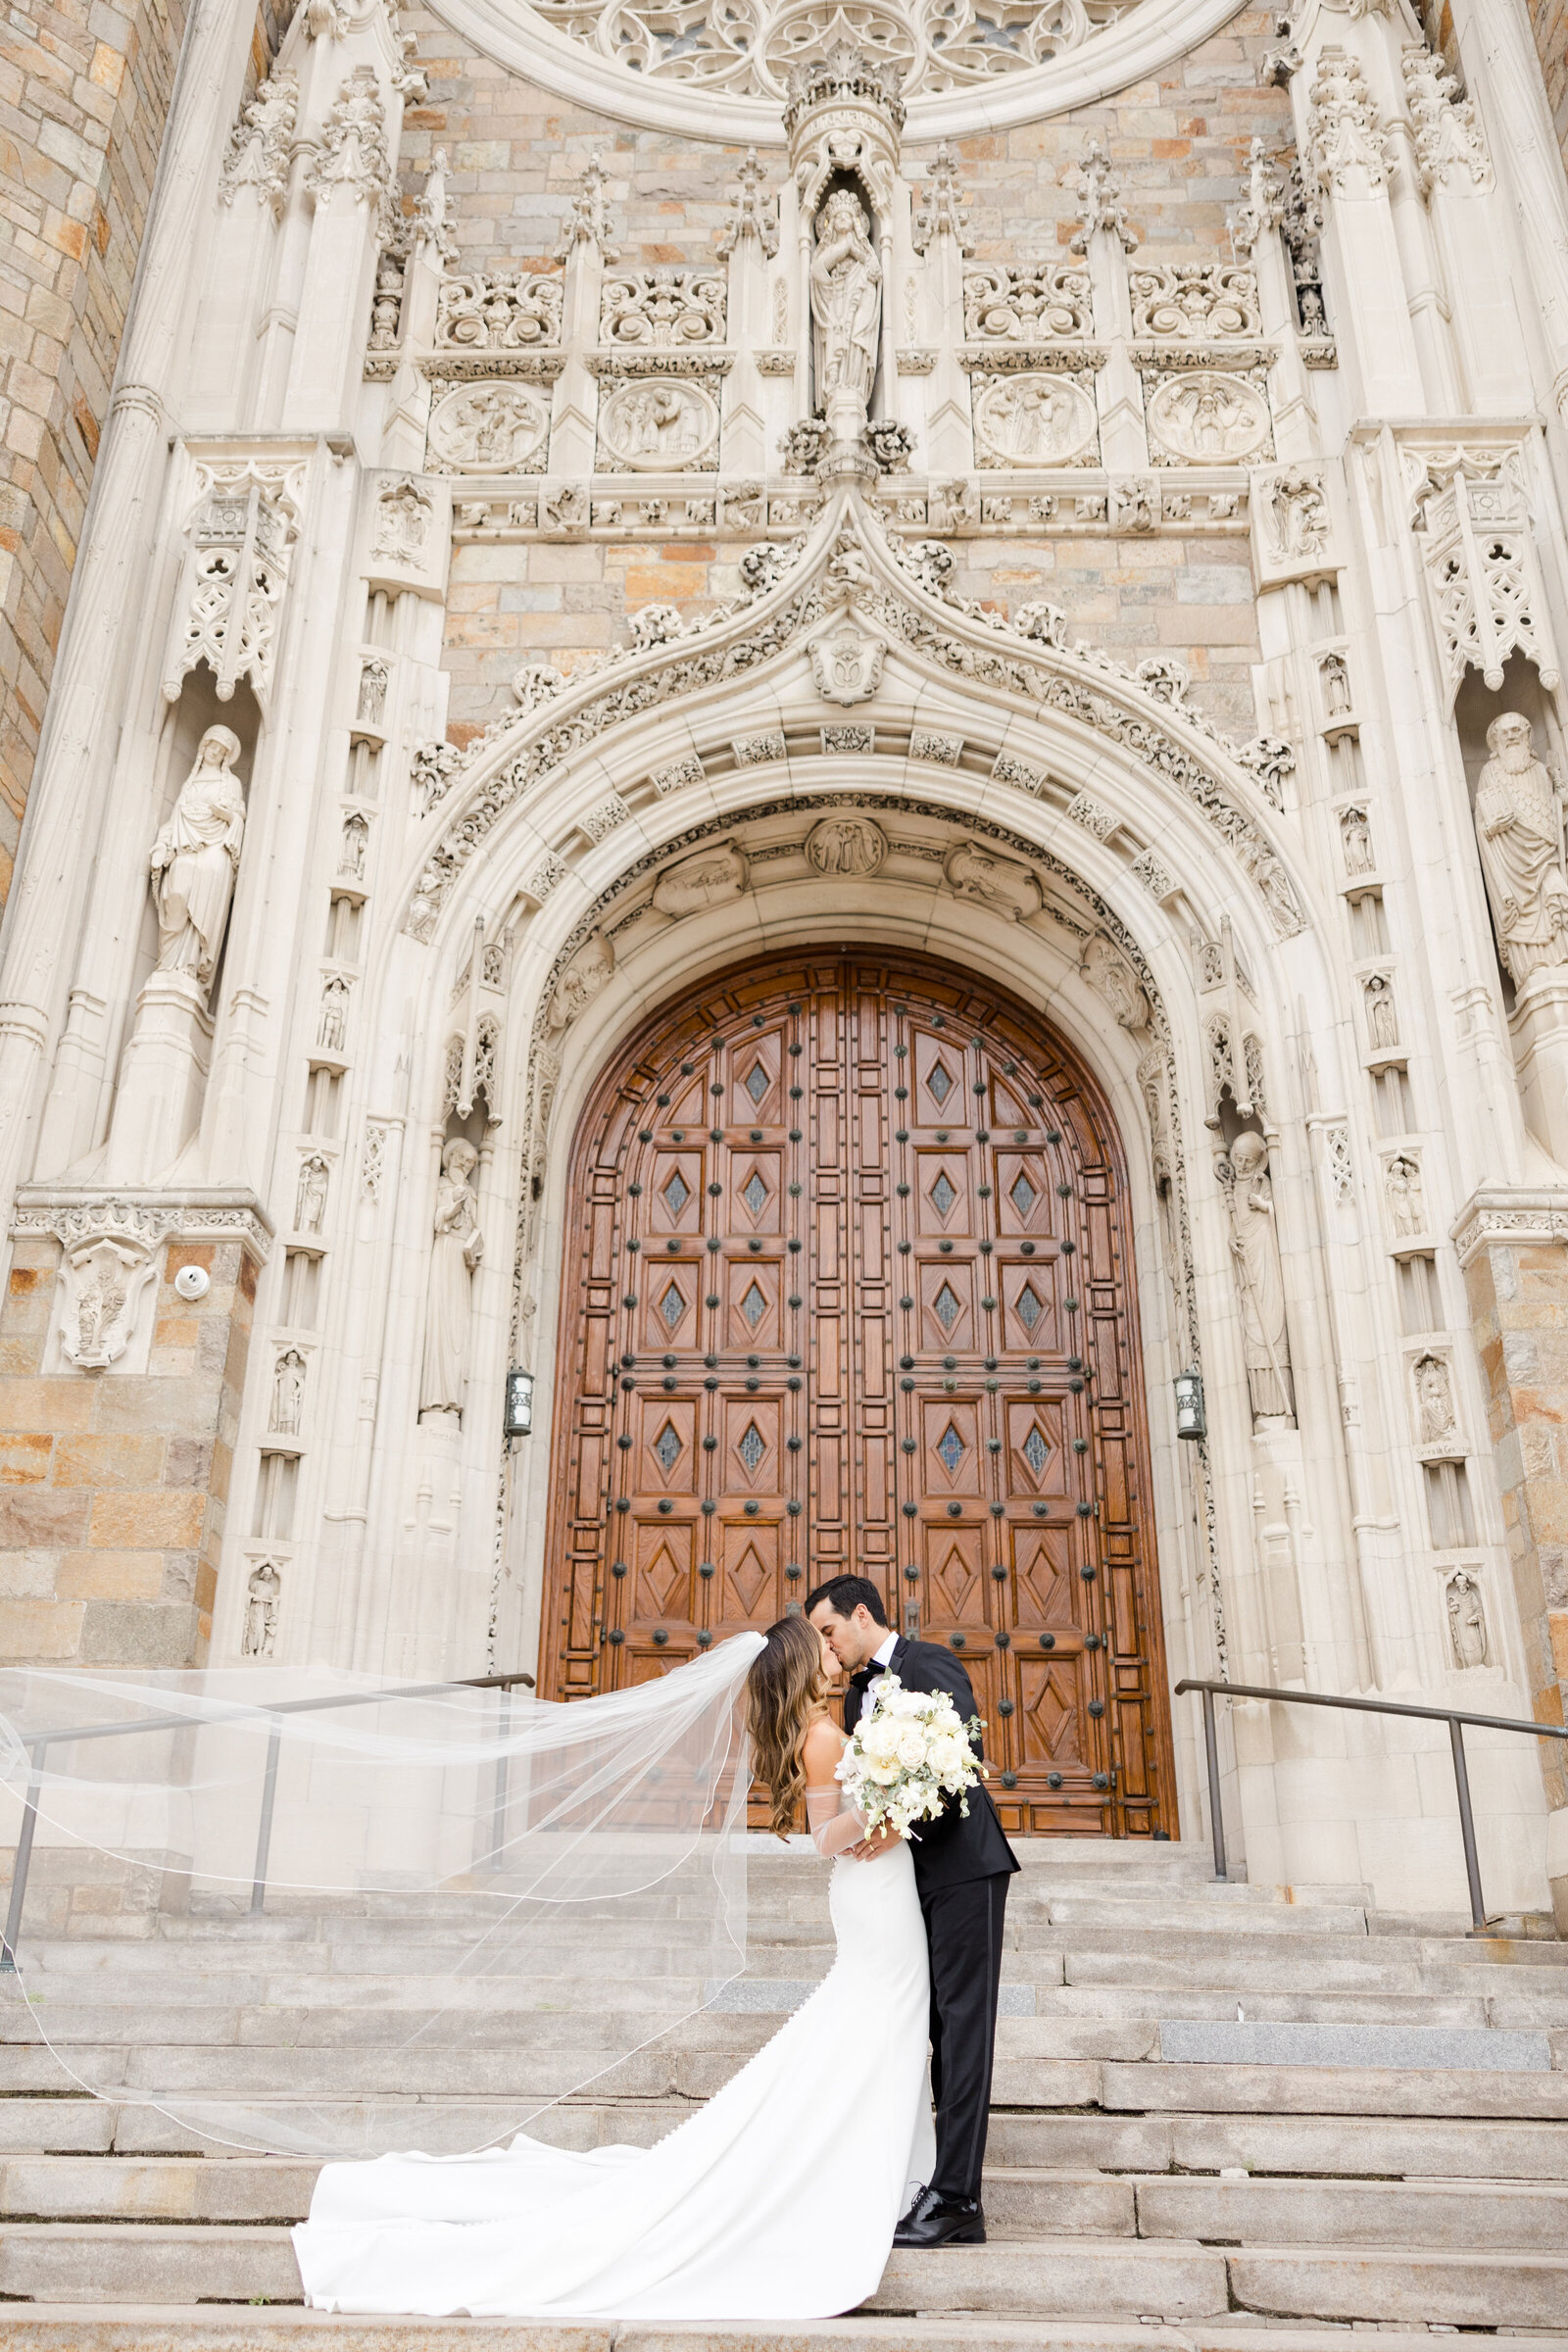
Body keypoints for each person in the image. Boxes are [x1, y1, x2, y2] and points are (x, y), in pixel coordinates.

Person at [292, 1615, 934, 2318]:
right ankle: (876, 2175)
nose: (834, 1656)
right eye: (822, 1650)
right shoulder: (820, 1735)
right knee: (878, 2022)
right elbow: (823, 1837)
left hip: (878, 1898)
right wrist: (887, 1806)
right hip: (873, 1899)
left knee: (879, 2028)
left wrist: (886, 1802)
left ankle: (884, 2170)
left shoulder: (828, 1726)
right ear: (801, 1667)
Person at [807, 1574, 1019, 2249]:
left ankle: (958, 2200)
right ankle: (930, 2178)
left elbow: (963, 1757)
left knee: (963, 2030)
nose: (827, 1646)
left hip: (962, 1869)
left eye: (829, 1631)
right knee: (930, 2028)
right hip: (904, 1886)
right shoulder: (852, 1703)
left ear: (860, 1614)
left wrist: (898, 1815)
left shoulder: (926, 1662)